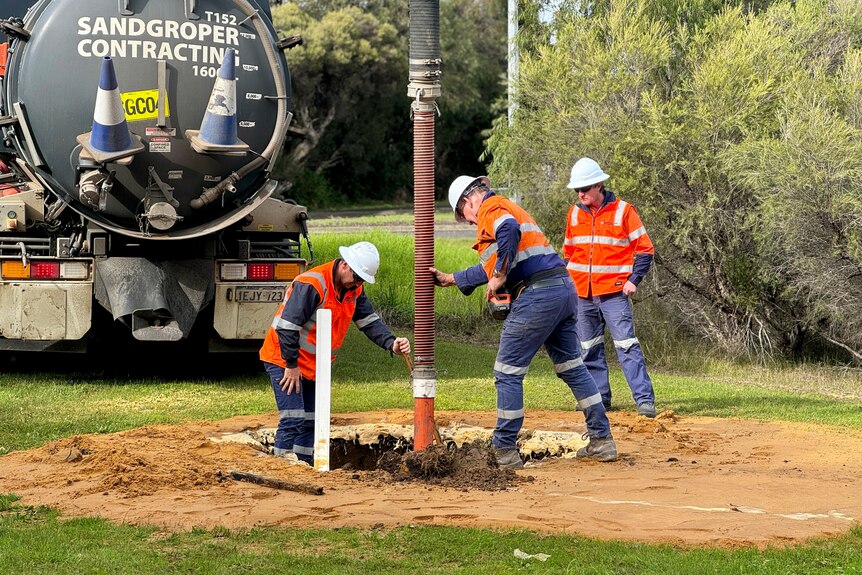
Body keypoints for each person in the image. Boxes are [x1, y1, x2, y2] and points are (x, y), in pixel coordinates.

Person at [429, 175, 617, 469]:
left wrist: (501, 275)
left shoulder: (491, 208)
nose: (468, 222)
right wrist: (453, 279)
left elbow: (508, 231)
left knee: (507, 372)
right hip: (562, 289)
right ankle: (602, 440)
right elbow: (492, 264)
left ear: (469, 201)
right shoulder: (506, 207)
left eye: (462, 215)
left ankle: (504, 449)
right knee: (572, 367)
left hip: (538, 295)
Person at [259, 241, 411, 464]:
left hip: (314, 364)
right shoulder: (312, 284)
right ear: (345, 265)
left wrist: (391, 343)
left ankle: (303, 464)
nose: (358, 283)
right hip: (283, 358)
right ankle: (280, 467)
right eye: (357, 277)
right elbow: (287, 327)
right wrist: (291, 365)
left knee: (311, 420)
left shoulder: (353, 289)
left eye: (362, 280)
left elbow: (368, 322)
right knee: (293, 418)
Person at [562, 157, 657, 418]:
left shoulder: (624, 211)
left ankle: (644, 400)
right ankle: (600, 399)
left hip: (614, 294)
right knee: (588, 348)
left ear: (600, 185)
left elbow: (645, 249)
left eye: (585, 189)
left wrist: (633, 280)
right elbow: (568, 254)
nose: (581, 194)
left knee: (627, 346)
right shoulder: (573, 214)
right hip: (582, 295)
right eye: (577, 190)